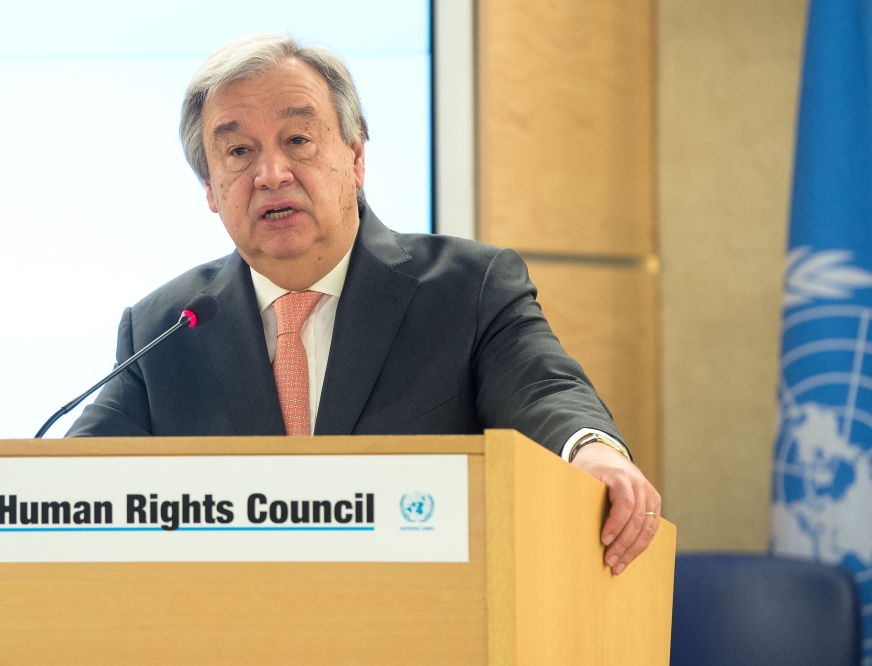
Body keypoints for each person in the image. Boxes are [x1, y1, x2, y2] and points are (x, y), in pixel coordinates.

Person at [66, 33, 661, 574]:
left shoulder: (468, 290)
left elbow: (545, 392)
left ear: (356, 159)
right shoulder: (164, 329)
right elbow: (61, 488)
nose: (271, 173)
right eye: (239, 153)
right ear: (210, 191)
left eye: (297, 140)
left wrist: (593, 454)